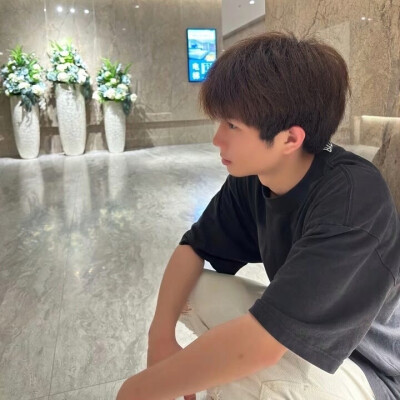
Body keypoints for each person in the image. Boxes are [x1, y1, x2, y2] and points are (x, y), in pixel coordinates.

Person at [116, 32, 400, 400]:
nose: (217, 139)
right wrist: (160, 339)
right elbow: (193, 248)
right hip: (300, 337)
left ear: (290, 139)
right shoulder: (256, 176)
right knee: (190, 288)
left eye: (232, 126)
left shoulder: (352, 198)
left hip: (368, 371)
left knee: (258, 376)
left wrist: (137, 390)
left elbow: (261, 347)